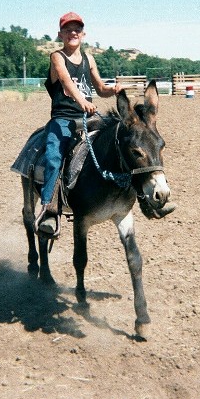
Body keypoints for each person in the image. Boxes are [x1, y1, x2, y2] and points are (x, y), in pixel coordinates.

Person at [36, 12, 121, 238]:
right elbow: (65, 81)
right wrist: (81, 100)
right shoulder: (57, 56)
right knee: (54, 157)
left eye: (77, 29)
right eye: (68, 29)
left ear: (83, 34)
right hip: (63, 118)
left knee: (117, 140)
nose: (73, 33)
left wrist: (111, 90)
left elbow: (100, 89)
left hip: (89, 117)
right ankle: (49, 209)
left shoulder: (89, 59)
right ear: (60, 34)